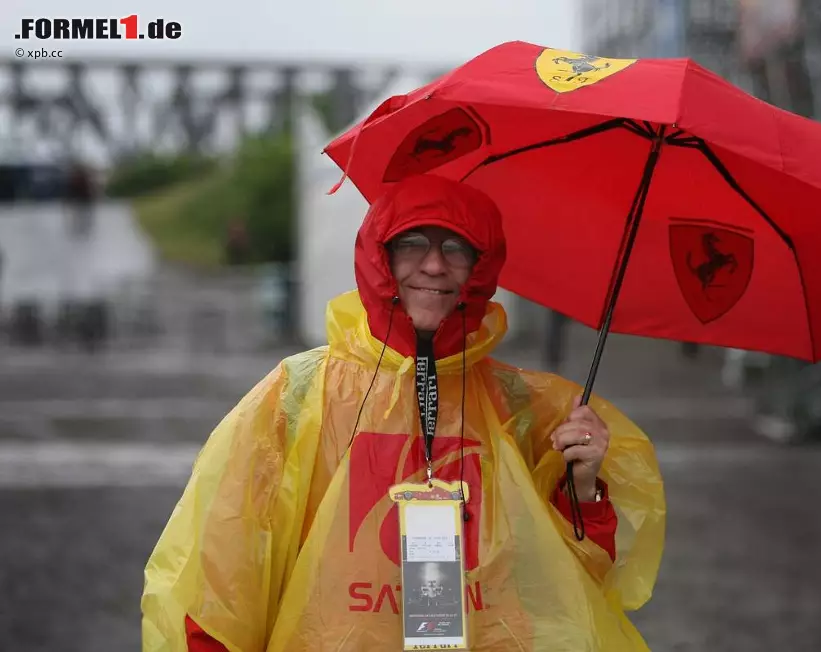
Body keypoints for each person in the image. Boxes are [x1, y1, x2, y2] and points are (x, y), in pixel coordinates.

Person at [141, 175, 666, 651]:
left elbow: (569, 594)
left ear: (480, 269)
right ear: (379, 257)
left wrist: (581, 488)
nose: (434, 264)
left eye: (456, 248)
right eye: (412, 243)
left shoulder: (523, 409)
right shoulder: (298, 396)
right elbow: (220, 581)